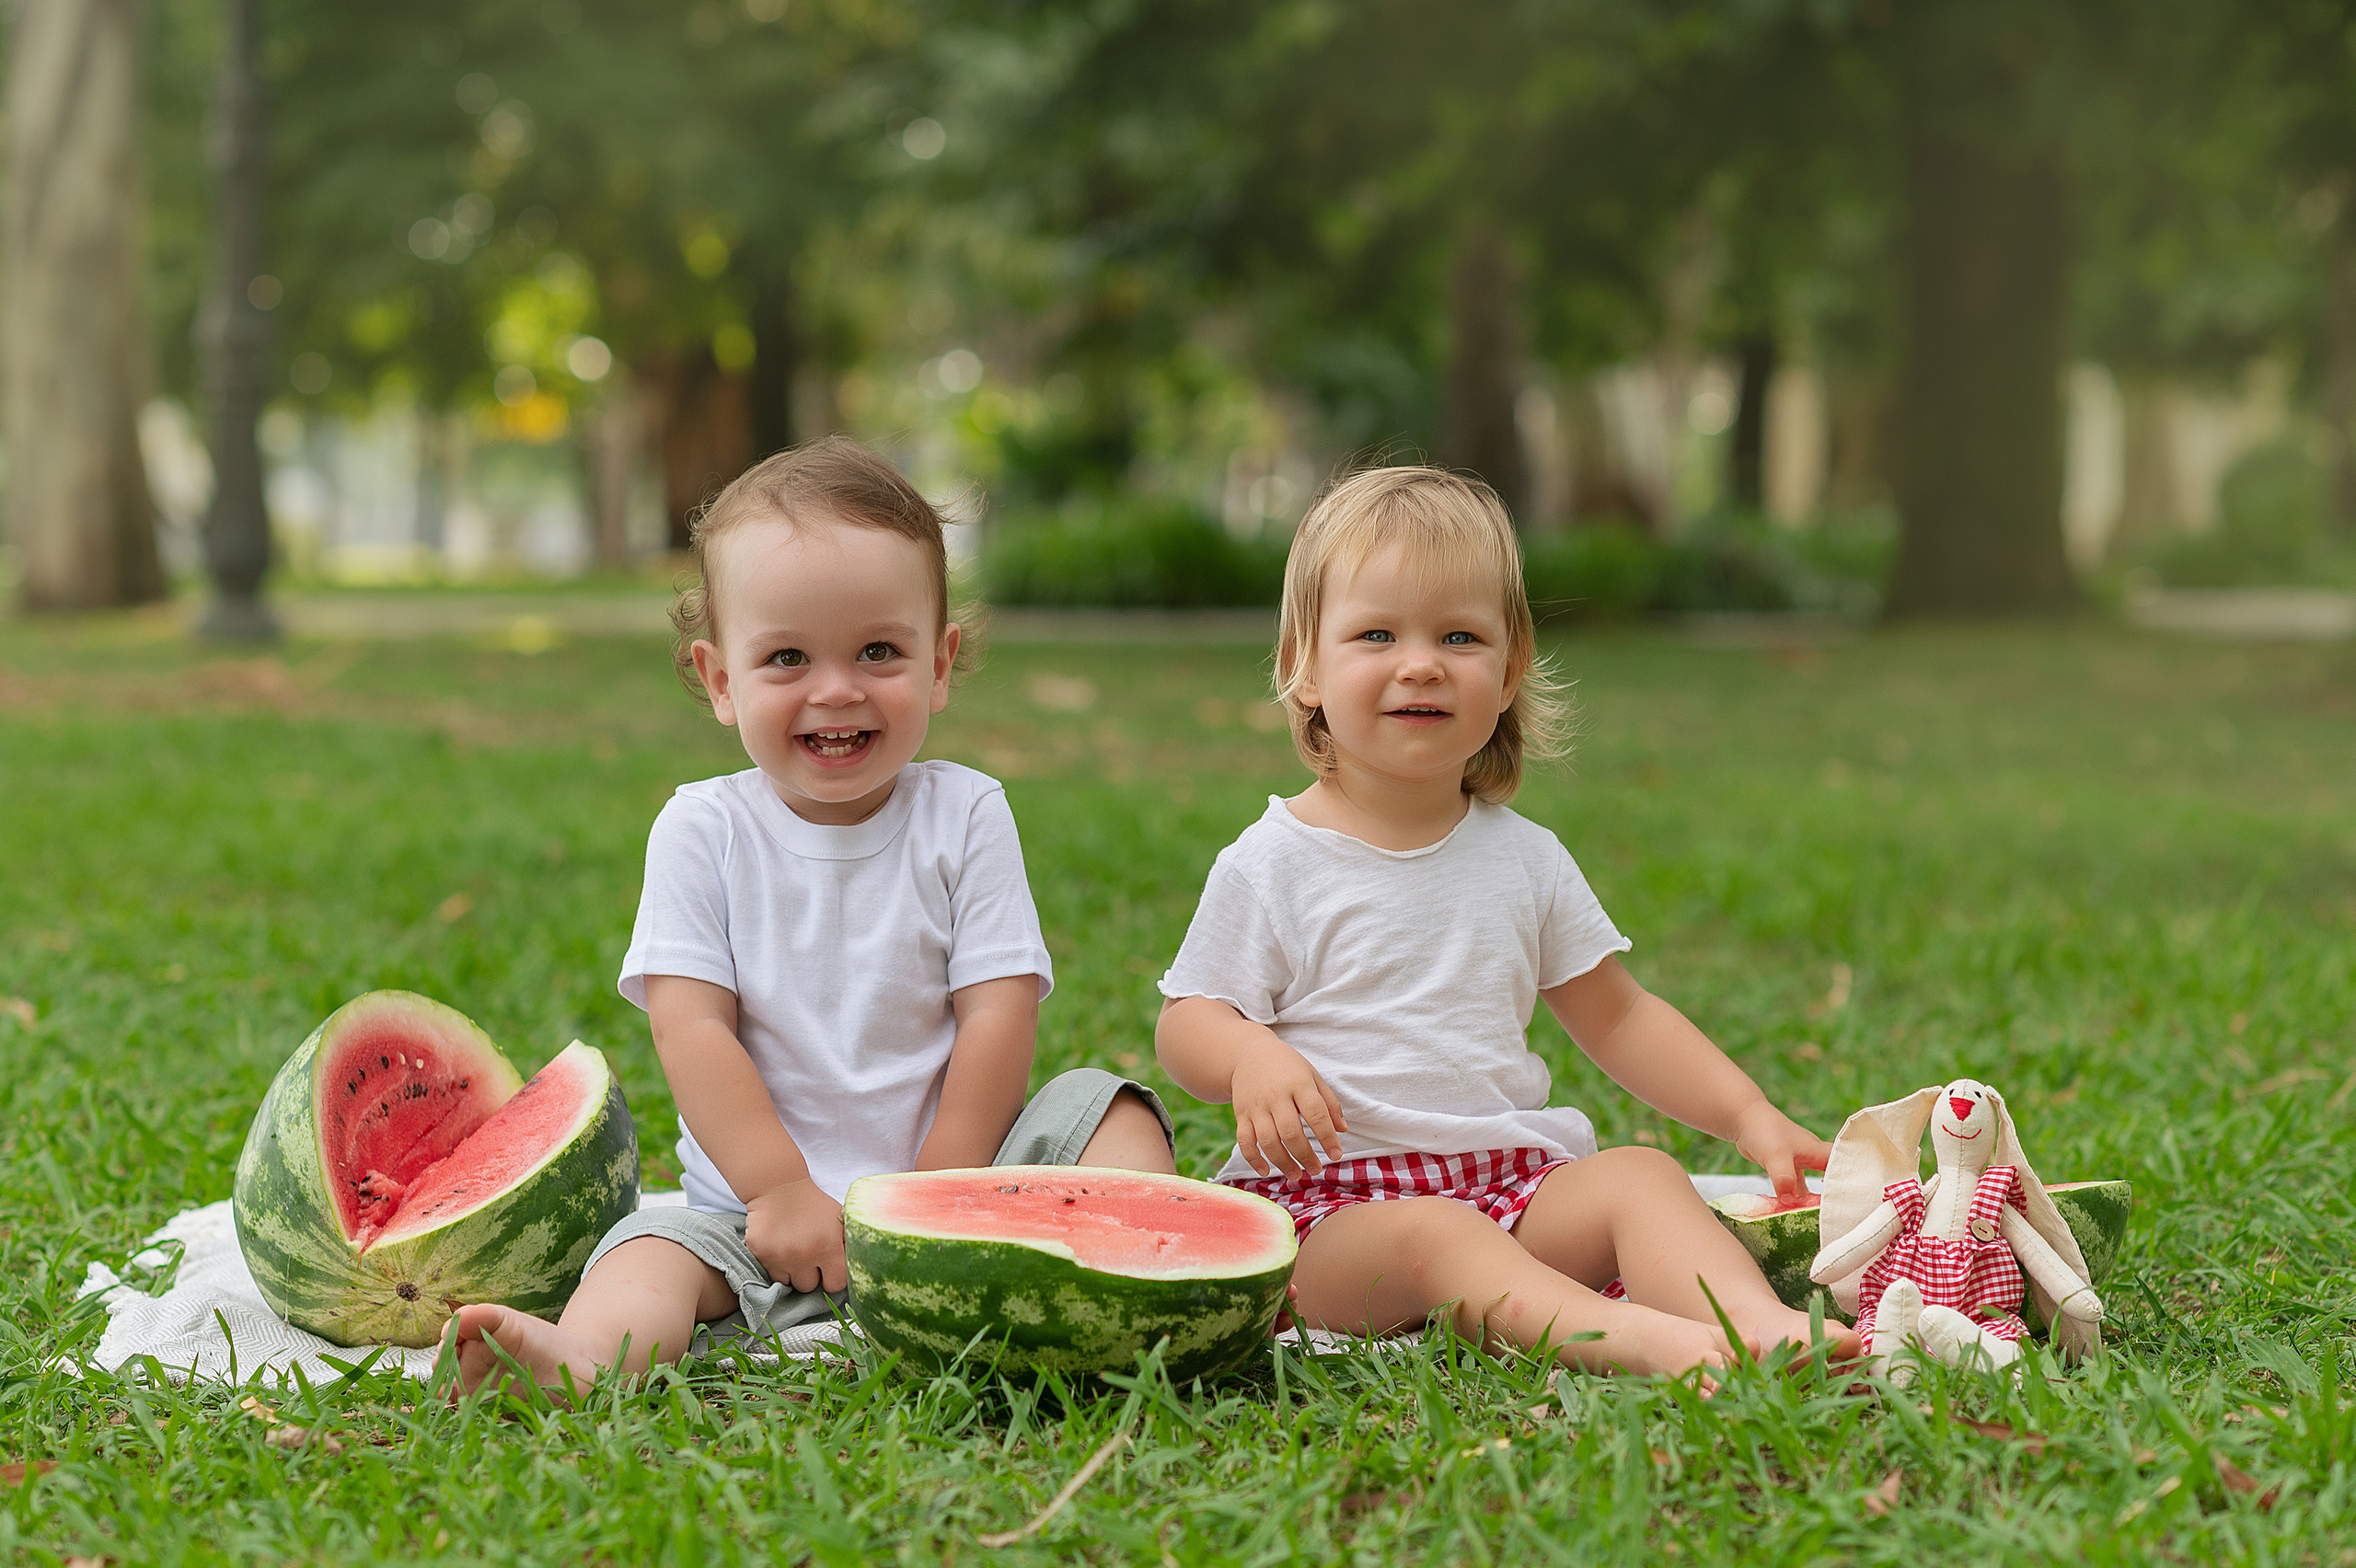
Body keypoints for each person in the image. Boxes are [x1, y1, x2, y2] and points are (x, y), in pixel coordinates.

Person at [451, 438, 1174, 1394]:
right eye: (786, 657)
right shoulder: (702, 829)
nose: (836, 689)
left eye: (879, 651)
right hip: (747, 1219)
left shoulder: (966, 813)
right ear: (718, 680)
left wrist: (942, 1187)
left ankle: (1155, 1283)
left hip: (960, 1190)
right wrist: (778, 1187)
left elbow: (997, 1010)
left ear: (942, 661)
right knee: (645, 1252)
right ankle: (583, 1365)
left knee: (1110, 1111)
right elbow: (691, 1025)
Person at [1154, 466, 1859, 1379]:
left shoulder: (1523, 859)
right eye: (1376, 634)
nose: (1421, 662)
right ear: (1306, 666)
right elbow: (1187, 1020)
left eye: (1459, 635)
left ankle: (1759, 1326)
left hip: (1507, 1190)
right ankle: (1665, 1351)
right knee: (1436, 1237)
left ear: (1510, 667)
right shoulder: (1274, 859)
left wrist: (1748, 1114)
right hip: (1331, 1222)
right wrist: (1250, 1055)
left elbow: (1622, 1018)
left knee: (1641, 1179)